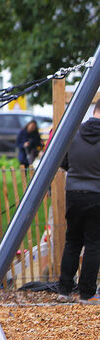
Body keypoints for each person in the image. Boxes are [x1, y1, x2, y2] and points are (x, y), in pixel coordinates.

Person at [56, 99, 100, 305]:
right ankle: (86, 293)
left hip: (73, 192)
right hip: (97, 194)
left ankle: (64, 290)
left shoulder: (75, 132)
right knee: (94, 244)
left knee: (73, 241)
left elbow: (63, 161)